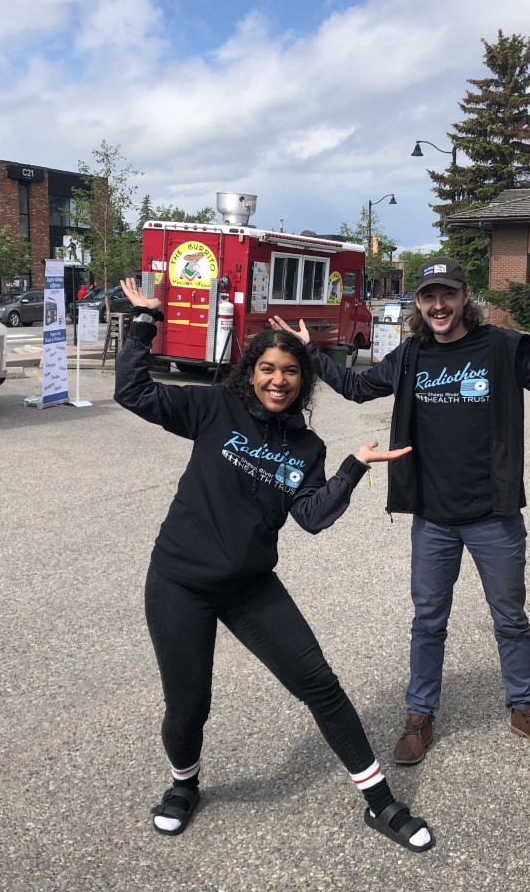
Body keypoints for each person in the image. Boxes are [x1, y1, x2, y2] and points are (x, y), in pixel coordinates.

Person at [270, 256, 530, 766]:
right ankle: (419, 715)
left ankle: (525, 709)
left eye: (448, 294)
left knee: (510, 618)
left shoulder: (504, 348)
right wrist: (310, 351)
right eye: (429, 296)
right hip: (433, 518)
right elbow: (359, 388)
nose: (439, 305)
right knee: (428, 622)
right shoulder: (410, 354)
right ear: (419, 303)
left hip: (494, 515)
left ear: (466, 296)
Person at [113, 277, 435, 852]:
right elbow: (134, 392)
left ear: (303, 380)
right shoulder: (215, 408)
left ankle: (381, 803)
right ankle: (184, 786)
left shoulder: (306, 448)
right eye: (268, 369)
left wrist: (354, 466)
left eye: (290, 372)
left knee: (321, 685)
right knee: (188, 707)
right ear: (251, 372)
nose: (278, 381)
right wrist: (144, 322)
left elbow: (311, 516)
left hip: (250, 585)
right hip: (180, 581)